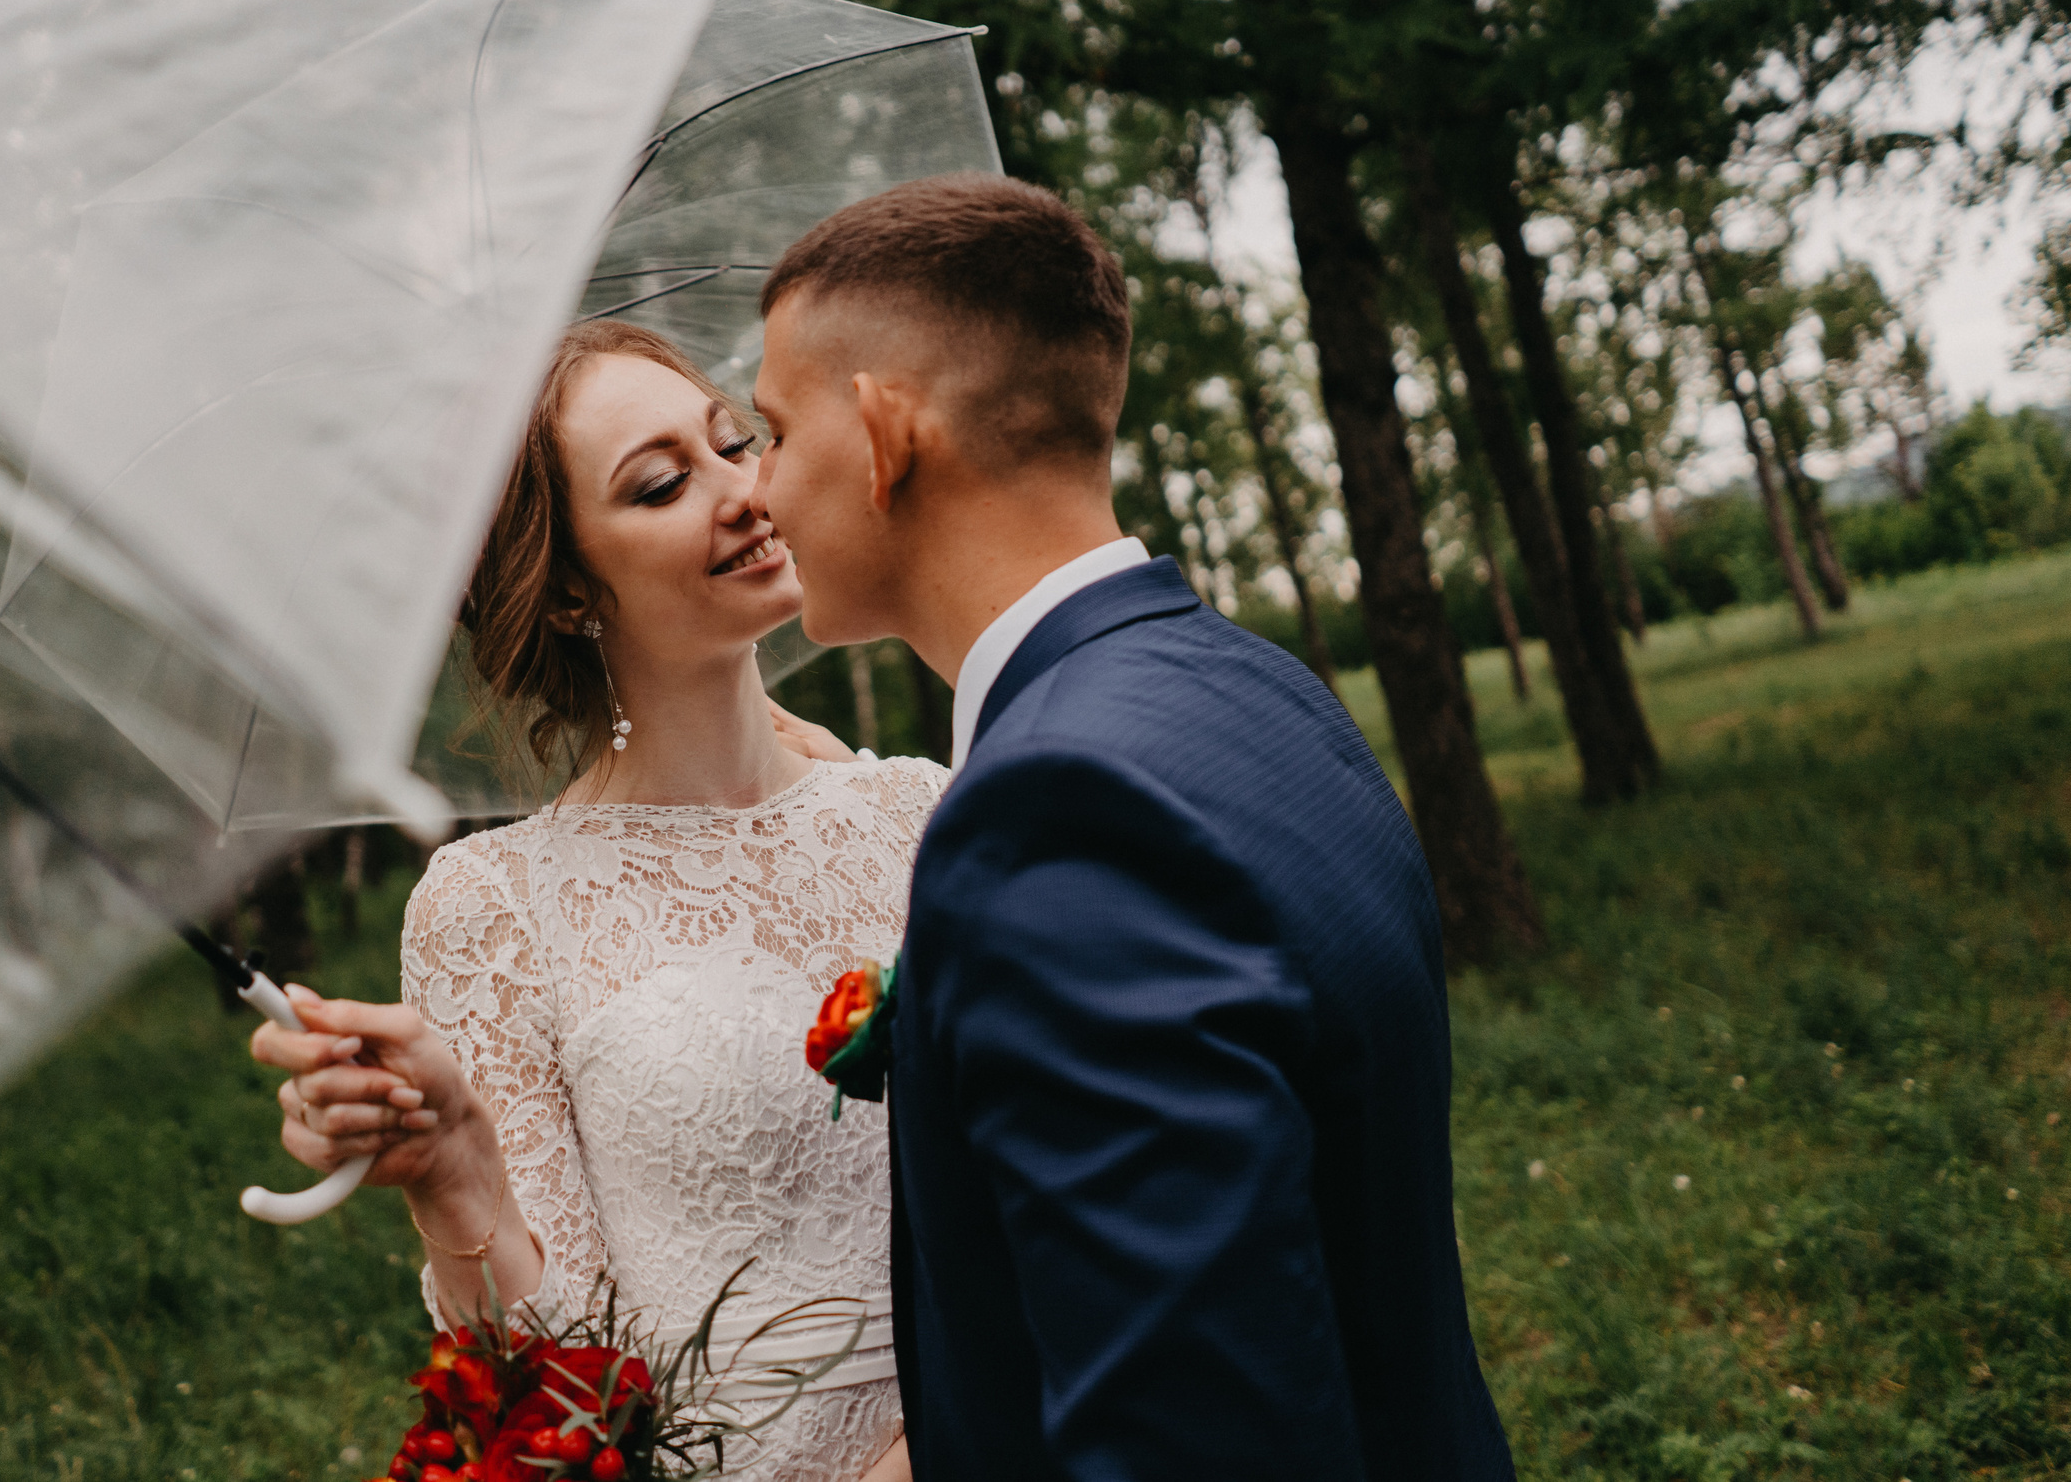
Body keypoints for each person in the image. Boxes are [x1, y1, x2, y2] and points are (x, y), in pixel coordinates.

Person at [748, 174, 1516, 1480]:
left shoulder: (1054, 814)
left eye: (769, 430)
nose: (758, 488)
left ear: (882, 432)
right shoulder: (1254, 685)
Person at [251, 319, 932, 1482]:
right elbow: (553, 1387)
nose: (742, 490)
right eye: (663, 483)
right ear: (567, 591)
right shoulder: (494, 906)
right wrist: (454, 1171)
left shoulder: (924, 814)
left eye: (736, 443)